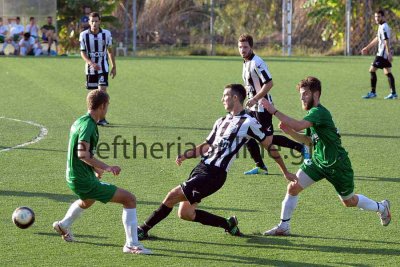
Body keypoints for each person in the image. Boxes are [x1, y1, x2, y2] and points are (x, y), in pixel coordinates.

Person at [136, 84, 296, 240]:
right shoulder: (221, 120)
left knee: (171, 196)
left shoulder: (249, 122)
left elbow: (269, 146)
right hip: (200, 169)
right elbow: (207, 146)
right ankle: (228, 224)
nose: (222, 99)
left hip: (214, 175)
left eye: (225, 96)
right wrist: (186, 155)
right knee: (185, 214)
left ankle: (143, 230)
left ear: (235, 97)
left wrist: (285, 171)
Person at [261, 76, 391, 236]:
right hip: (318, 162)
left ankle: (382, 207)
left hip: (338, 165)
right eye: (301, 94)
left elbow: (298, 124)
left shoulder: (319, 112)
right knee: (293, 187)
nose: (302, 97)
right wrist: (291, 133)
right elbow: (308, 141)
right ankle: (284, 226)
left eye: (305, 94)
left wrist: (272, 110)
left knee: (349, 202)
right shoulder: (312, 114)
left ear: (316, 94)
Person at [52, 89, 151, 254]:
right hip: (82, 179)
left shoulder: (80, 121)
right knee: (129, 199)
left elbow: (84, 154)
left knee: (88, 201)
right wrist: (107, 167)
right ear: (103, 106)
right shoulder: (88, 125)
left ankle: (63, 225)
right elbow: (82, 154)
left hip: (74, 176)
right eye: (107, 105)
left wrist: (96, 168)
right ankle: (132, 244)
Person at [238, 34, 309, 175]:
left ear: (251, 47)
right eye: (240, 47)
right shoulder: (245, 62)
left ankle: (300, 148)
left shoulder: (257, 62)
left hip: (263, 107)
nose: (242, 50)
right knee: (245, 133)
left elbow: (269, 83)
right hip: (252, 107)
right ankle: (260, 166)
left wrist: (255, 99)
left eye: (245, 47)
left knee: (266, 140)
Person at [79, 12, 116, 126]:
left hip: (103, 67)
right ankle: (92, 117)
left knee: (102, 92)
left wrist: (114, 66)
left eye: (96, 21)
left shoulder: (106, 34)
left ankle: (102, 118)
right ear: (89, 22)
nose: (94, 23)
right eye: (92, 21)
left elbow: (110, 51)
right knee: (93, 95)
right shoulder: (83, 35)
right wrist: (91, 63)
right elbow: (83, 52)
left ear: (100, 22)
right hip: (90, 69)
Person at [361, 10, 397, 99]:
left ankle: (373, 93)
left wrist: (388, 54)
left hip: (382, 54)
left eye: (379, 17)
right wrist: (367, 47)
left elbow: (386, 40)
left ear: (383, 17)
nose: (377, 18)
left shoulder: (384, 27)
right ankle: (393, 93)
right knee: (387, 72)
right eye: (376, 17)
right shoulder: (381, 26)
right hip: (383, 53)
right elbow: (377, 38)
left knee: (372, 70)